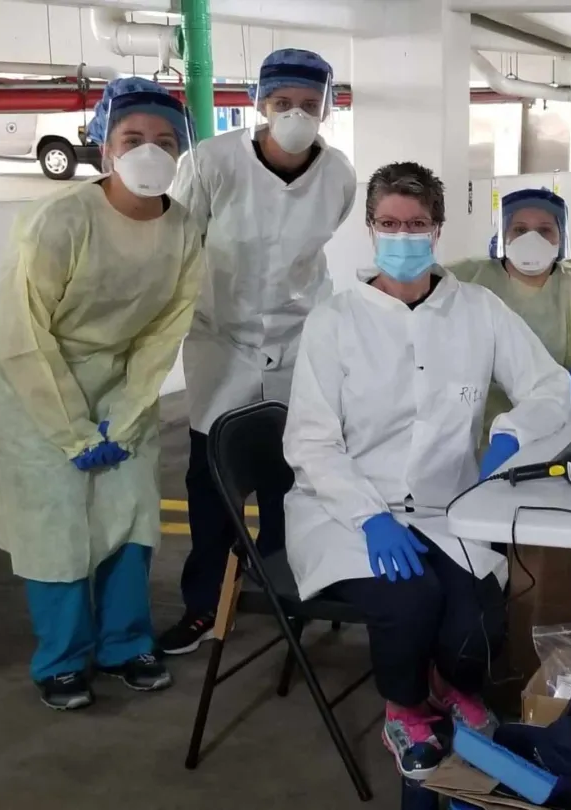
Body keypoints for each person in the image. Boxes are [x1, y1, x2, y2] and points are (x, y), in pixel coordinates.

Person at [283, 162, 571, 779]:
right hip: (350, 509)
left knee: (477, 620)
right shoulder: (335, 320)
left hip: (448, 505)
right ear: (370, 228)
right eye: (389, 223)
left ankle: (453, 687)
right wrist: (368, 518)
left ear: (437, 230)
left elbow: (550, 385)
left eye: (416, 224)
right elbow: (310, 439)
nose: (403, 235)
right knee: (410, 600)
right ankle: (406, 709)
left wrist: (510, 435)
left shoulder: (478, 310)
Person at [0, 77, 204, 710]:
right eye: (132, 138)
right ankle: (62, 659)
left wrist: (123, 416)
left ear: (181, 151)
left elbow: (163, 332)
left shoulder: (182, 229)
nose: (149, 151)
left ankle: (126, 644)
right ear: (103, 147)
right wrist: (70, 430)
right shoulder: (61, 220)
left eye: (164, 140)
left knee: (130, 514)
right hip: (27, 377)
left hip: (119, 378)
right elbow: (22, 330)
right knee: (57, 523)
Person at [161, 48, 357, 656]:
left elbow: (320, 246)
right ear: (259, 103)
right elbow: (178, 243)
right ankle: (203, 605)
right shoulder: (211, 164)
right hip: (223, 341)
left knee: (292, 474)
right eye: (281, 102)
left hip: (300, 341)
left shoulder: (339, 174)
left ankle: (289, 586)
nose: (294, 114)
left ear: (325, 108)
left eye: (307, 103)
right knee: (213, 477)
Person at [449, 188, 571, 419]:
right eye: (519, 230)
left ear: (561, 237)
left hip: (551, 421)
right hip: (473, 431)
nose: (531, 239)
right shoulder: (467, 278)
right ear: (503, 235)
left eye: (544, 230)